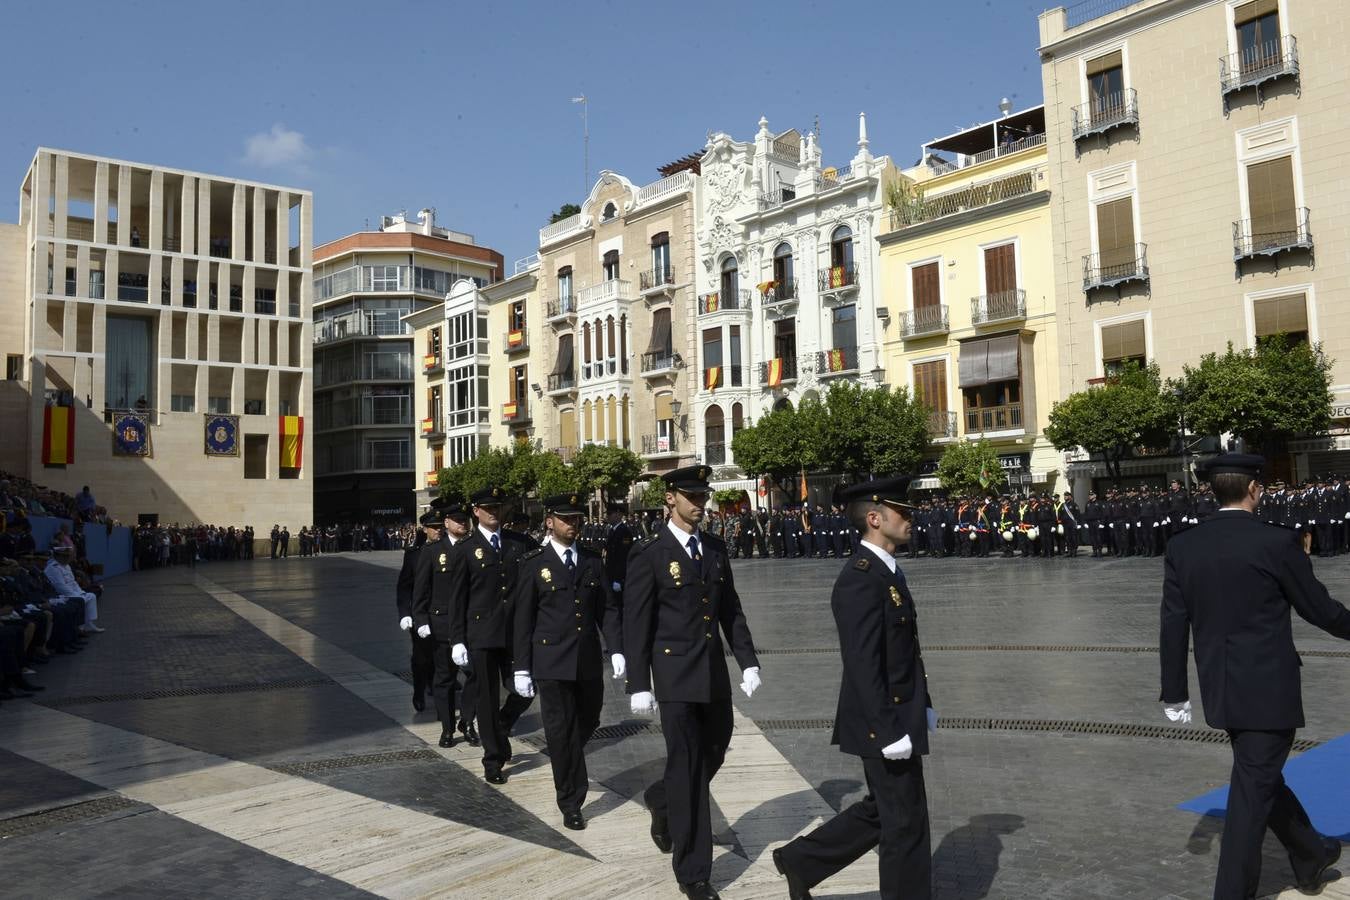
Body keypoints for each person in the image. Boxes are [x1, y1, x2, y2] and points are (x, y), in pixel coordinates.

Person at [1160, 453, 1349, 899]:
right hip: (1268, 690)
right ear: (1253, 490)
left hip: (1221, 689)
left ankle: (1311, 853)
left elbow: (1173, 624)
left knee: (1258, 777)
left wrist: (1175, 692)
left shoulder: (1184, 545)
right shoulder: (1276, 543)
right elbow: (1320, 610)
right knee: (1249, 798)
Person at [772, 476, 936, 900]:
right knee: (905, 824)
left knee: (888, 812)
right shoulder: (860, 579)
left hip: (901, 711)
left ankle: (801, 861)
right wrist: (886, 730)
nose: (911, 518)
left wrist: (925, 703)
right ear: (877, 518)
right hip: (883, 721)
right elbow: (862, 665)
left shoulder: (888, 570)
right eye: (904, 512)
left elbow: (904, 650)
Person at [625, 465, 762, 900]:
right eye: (692, 497)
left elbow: (731, 612)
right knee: (687, 768)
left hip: (712, 676)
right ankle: (694, 872)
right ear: (670, 499)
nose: (700, 504)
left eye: (704, 496)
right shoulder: (649, 553)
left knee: (715, 750)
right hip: (673, 677)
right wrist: (638, 683)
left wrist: (748, 661)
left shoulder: (715, 550)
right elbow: (636, 623)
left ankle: (663, 801)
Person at [511, 493, 624, 830]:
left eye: (577, 518)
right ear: (550, 521)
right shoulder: (534, 564)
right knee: (560, 731)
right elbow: (522, 619)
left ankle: (567, 756)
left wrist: (616, 648)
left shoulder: (592, 561)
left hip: (587, 659)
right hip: (551, 661)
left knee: (589, 719)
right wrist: (521, 666)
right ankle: (571, 800)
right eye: (566, 519)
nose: (573, 524)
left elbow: (608, 609)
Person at [447, 486, 533, 784]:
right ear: (476, 511)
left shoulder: (518, 544)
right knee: (486, 698)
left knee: (524, 690)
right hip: (482, 634)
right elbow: (457, 599)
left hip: (516, 634)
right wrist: (457, 638)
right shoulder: (465, 549)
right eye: (488, 508)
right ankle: (493, 759)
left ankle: (502, 723)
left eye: (498, 507)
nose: (494, 512)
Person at [398, 513, 435, 713]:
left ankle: (435, 685)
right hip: (420, 613)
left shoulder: (452, 551)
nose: (438, 531)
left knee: (441, 657)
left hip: (444, 614)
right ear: (425, 529)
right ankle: (419, 690)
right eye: (434, 527)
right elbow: (404, 586)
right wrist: (404, 612)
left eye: (440, 527)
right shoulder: (414, 555)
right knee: (421, 658)